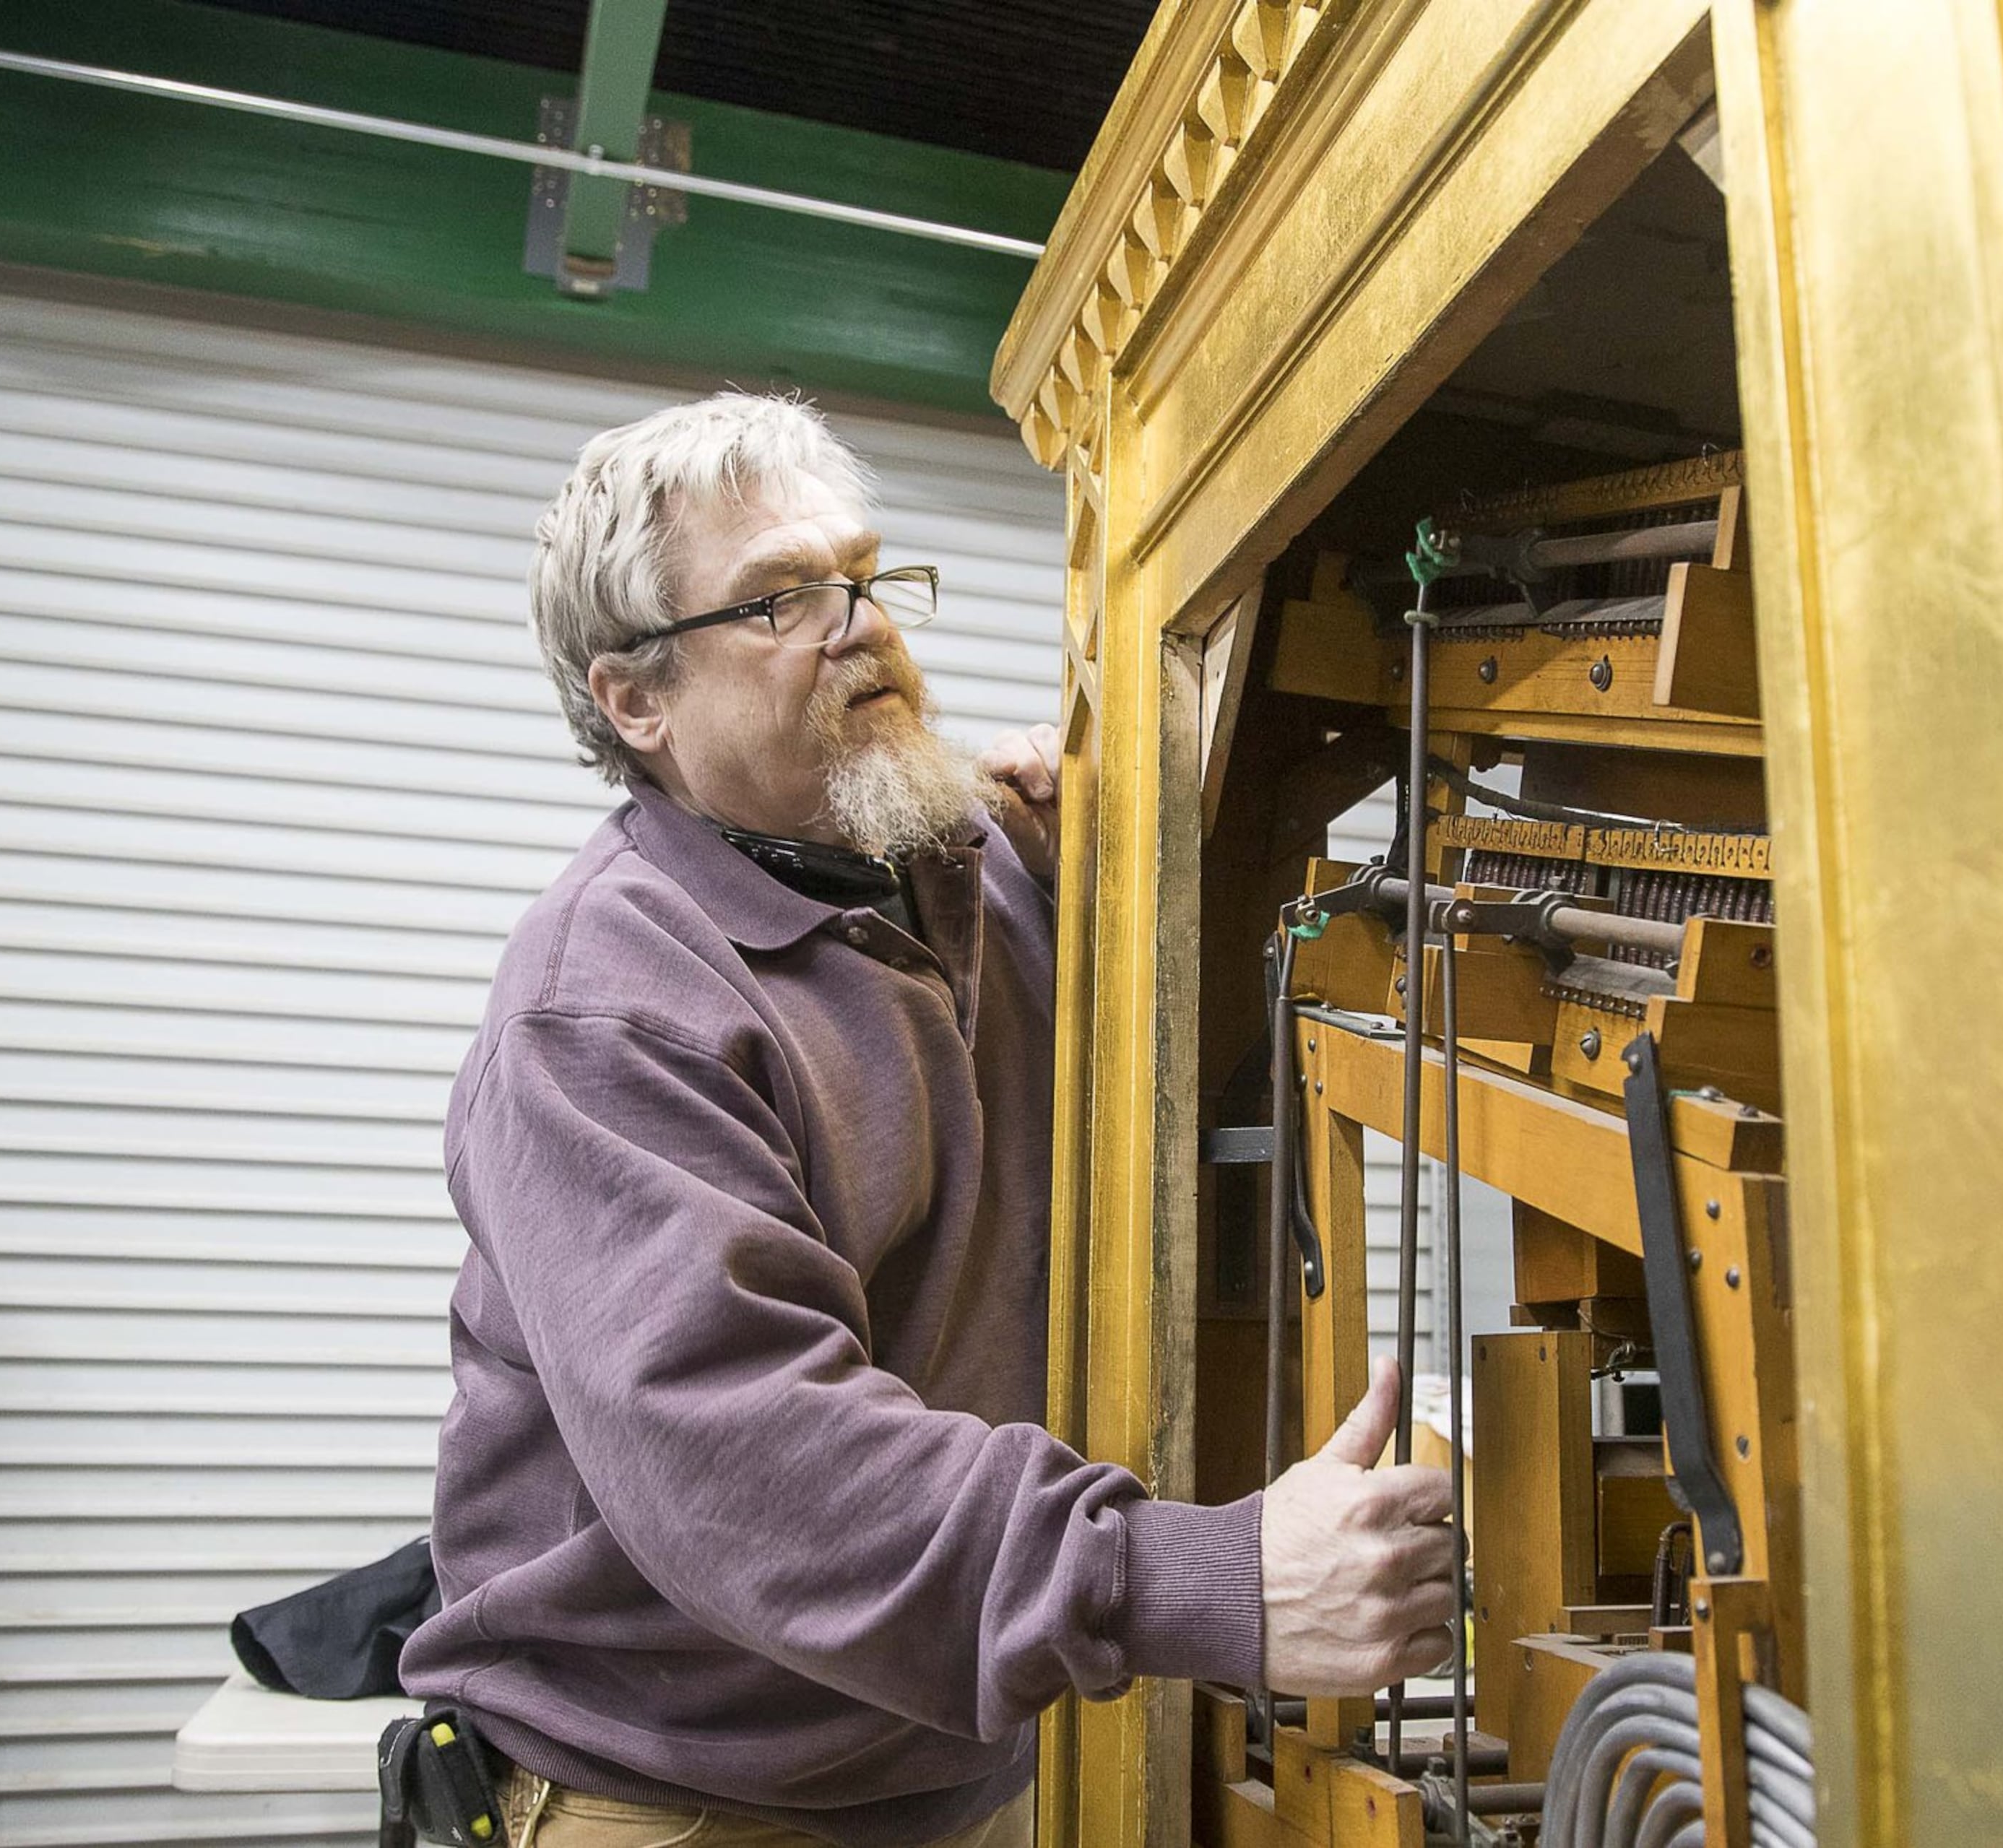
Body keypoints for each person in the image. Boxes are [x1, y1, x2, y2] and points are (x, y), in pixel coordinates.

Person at [399, 394, 1454, 1848]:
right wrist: (1192, 1577)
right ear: (636, 699)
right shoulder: (610, 1000)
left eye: (867, 575)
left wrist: (1118, 878)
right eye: (780, 598)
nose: (858, 623)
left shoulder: (986, 878)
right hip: (682, 1802)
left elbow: (1173, 1157)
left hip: (949, 1771)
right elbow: (746, 1458)